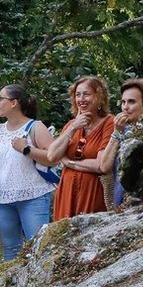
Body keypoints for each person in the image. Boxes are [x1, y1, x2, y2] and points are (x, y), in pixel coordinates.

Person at [0, 84, 57, 262]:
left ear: (14, 103)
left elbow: (52, 158)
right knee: (11, 250)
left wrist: (26, 149)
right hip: (3, 199)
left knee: (38, 248)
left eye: (1, 98)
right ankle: (10, 282)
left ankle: (39, 281)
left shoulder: (35, 127)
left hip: (33, 197)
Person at [47, 75, 117, 221]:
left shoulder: (109, 123)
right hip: (67, 192)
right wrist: (73, 127)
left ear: (99, 96)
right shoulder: (72, 124)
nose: (81, 99)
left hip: (93, 192)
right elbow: (52, 156)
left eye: (86, 94)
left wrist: (69, 162)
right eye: (78, 95)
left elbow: (101, 165)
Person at [99, 79, 143, 209]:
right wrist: (116, 133)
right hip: (120, 201)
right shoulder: (123, 130)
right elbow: (104, 167)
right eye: (123, 102)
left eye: (131, 102)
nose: (125, 107)